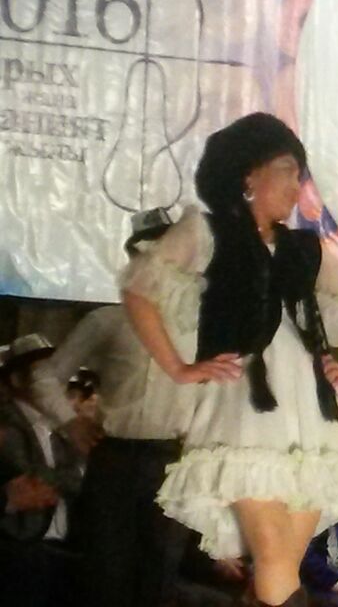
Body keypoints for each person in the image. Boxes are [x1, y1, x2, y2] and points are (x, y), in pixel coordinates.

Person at [122, 112, 338, 606]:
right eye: (286, 169)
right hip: (245, 409)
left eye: (299, 174)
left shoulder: (306, 248)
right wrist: (179, 368)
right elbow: (140, 290)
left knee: (282, 559)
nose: (296, 184)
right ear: (248, 175)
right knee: (273, 556)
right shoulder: (206, 231)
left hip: (313, 416)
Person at [25, 208, 204, 606]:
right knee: (106, 570)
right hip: (116, 455)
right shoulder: (109, 320)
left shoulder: (202, 326)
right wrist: (71, 423)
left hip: (175, 456)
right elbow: (46, 376)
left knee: (161, 572)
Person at [0, 334, 83, 607]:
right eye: (43, 372)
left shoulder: (60, 428)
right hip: (20, 550)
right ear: (17, 379)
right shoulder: (6, 424)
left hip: (61, 550)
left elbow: (77, 480)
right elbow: (29, 479)